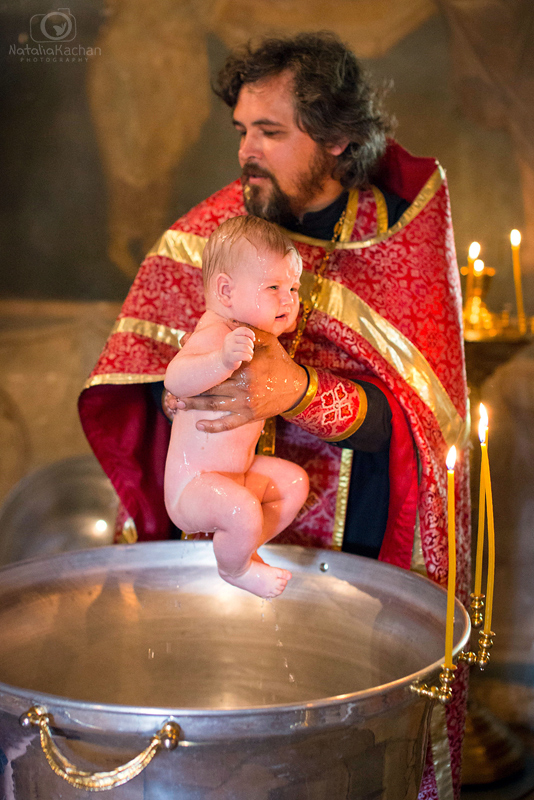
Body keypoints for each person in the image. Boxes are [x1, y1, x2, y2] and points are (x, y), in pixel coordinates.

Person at [79, 32, 470, 799]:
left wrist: (297, 391)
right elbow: (146, 383)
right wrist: (178, 393)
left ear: (337, 139)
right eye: (241, 130)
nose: (246, 152)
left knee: (344, 760)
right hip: (216, 543)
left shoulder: (400, 236)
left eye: (270, 131)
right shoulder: (213, 238)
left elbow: (423, 424)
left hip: (359, 550)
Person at [164, 215, 308, 597]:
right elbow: (175, 379)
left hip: (234, 476)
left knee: (294, 484)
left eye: (293, 288)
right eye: (273, 287)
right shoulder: (216, 333)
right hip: (193, 486)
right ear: (226, 292)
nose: (288, 299)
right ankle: (235, 568)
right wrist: (221, 361)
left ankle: (242, 547)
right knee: (242, 509)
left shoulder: (252, 333)